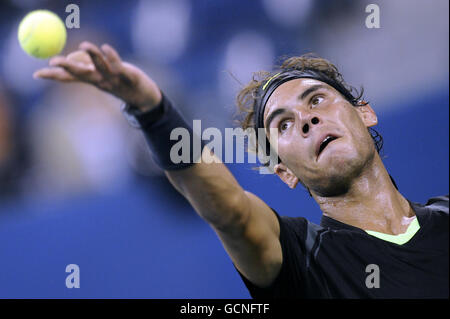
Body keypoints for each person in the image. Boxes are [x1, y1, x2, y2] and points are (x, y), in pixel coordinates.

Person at [34, 42, 448, 298]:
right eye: (283, 124)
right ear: (284, 171)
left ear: (365, 113)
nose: (306, 119)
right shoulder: (302, 257)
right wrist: (153, 111)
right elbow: (230, 212)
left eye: (317, 100)